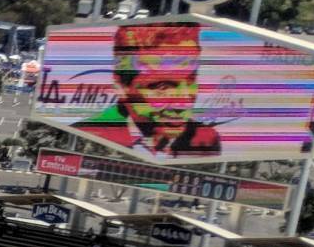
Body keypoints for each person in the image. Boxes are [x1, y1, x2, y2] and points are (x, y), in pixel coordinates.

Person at [73, 21, 225, 159]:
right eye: (163, 87)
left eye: (191, 79)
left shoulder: (205, 141)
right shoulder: (88, 136)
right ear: (121, 87)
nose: (183, 102)